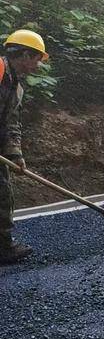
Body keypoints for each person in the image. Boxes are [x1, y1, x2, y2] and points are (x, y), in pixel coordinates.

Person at [0, 30, 47, 265]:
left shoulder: (16, 88)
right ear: (25, 54)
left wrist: (15, 154)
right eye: (37, 59)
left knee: (2, 195)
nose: (38, 66)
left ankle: (3, 247)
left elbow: (11, 124)